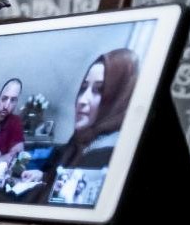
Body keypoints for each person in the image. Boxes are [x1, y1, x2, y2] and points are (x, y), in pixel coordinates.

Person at [14, 49, 139, 206]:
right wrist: (44, 176)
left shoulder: (107, 153)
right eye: (83, 88)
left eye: (98, 90)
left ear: (118, 97)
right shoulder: (80, 142)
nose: (82, 100)